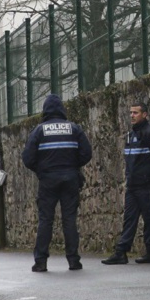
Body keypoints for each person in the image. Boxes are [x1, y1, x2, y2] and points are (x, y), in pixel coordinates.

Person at [22, 94, 93, 272]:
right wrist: (73, 166)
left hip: (48, 180)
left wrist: (41, 171)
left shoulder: (39, 130)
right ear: (62, 109)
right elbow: (87, 153)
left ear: (45, 111)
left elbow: (28, 158)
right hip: (70, 178)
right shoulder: (74, 128)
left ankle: (41, 262)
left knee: (46, 220)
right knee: (69, 219)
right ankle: (73, 261)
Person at [102, 101, 150, 265]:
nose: (132, 115)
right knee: (129, 219)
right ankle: (121, 252)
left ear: (145, 114)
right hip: (132, 184)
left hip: (145, 184)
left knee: (149, 217)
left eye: (135, 113)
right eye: (130, 112)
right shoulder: (131, 135)